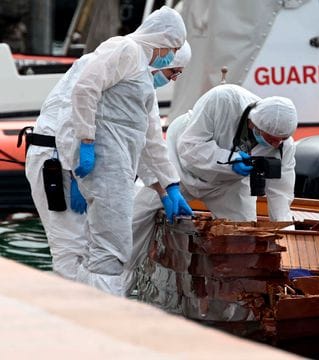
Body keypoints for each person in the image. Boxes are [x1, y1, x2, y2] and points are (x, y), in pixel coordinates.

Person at [24, 6, 192, 296]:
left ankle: (87, 314)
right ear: (162, 45)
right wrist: (76, 162)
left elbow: (149, 143)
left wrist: (168, 188)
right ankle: (72, 320)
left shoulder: (140, 86)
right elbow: (70, 111)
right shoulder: (117, 55)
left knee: (95, 247)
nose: (171, 78)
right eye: (173, 70)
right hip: (57, 159)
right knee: (70, 248)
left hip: (81, 162)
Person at [125, 84, 298, 294]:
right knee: (135, 217)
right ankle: (113, 286)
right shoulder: (223, 99)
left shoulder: (283, 146)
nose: (275, 143)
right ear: (253, 123)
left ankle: (238, 298)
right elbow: (189, 146)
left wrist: (291, 255)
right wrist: (229, 160)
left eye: (281, 139)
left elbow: (281, 198)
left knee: (242, 239)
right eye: (270, 138)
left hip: (228, 185)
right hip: (178, 167)